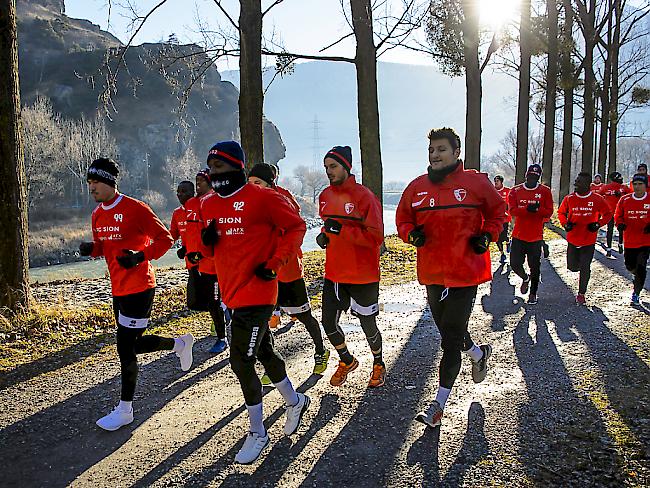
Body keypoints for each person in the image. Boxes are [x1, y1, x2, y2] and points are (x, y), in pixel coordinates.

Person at [199, 141, 309, 464]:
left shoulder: (262, 199)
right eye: (209, 167)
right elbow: (210, 253)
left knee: (241, 362)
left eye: (217, 167)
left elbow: (296, 227)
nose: (211, 173)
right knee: (264, 352)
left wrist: (275, 263)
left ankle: (258, 433)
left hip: (259, 293)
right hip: (231, 294)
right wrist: (206, 245)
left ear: (235, 166)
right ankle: (294, 400)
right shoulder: (208, 206)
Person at [396, 127, 505, 428]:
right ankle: (478, 352)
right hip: (432, 273)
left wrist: (488, 235)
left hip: (465, 272)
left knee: (450, 336)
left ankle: (437, 406)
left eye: (442, 149)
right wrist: (410, 234)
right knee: (449, 332)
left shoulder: (475, 183)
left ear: (456, 152)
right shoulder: (417, 187)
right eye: (432, 150)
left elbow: (499, 212)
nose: (435, 155)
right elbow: (402, 218)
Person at [79, 158, 193, 431]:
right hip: (117, 289)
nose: (91, 187)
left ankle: (125, 409)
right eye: (89, 183)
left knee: (125, 348)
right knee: (135, 344)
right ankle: (179, 344)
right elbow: (104, 248)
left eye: (96, 182)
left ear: (109, 182)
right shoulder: (97, 214)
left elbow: (165, 239)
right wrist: (92, 250)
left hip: (140, 287)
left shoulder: (135, 208)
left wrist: (140, 256)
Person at [247, 162, 330, 380]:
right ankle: (272, 365)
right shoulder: (249, 202)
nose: (253, 187)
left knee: (302, 315)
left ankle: (321, 351)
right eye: (250, 183)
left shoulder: (281, 200)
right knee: (264, 319)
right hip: (264, 273)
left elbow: (294, 229)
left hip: (287, 269)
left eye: (258, 183)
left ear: (270, 183)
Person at [316, 145, 386, 388]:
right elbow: (329, 227)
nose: (329, 172)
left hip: (363, 275)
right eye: (326, 167)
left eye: (333, 166)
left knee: (367, 324)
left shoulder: (365, 197)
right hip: (334, 274)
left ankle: (378, 363)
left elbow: (376, 238)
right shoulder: (324, 196)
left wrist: (342, 231)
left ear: (347, 166)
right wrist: (325, 236)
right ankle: (346, 360)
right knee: (328, 322)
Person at [184, 169, 229, 354]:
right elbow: (191, 232)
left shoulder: (216, 202)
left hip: (216, 264)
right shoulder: (191, 203)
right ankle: (225, 315)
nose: (197, 184)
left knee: (214, 301)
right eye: (196, 180)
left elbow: (218, 236)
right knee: (203, 302)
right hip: (198, 263)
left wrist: (203, 254)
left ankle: (222, 338)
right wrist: (187, 250)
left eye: (201, 181)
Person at [558, 172, 612, 305]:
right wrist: (565, 223)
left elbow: (608, 214)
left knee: (585, 266)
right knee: (572, 267)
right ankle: (578, 269)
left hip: (588, 239)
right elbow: (561, 213)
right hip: (573, 239)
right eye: (575, 181)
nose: (576, 184)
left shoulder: (597, 199)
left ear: (587, 184)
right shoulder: (569, 198)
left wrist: (598, 224)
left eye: (579, 182)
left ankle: (581, 293)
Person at [507, 164, 554, 304]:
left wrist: (538, 210)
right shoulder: (515, 191)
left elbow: (549, 211)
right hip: (518, 235)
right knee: (515, 264)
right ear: (526, 175)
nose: (532, 179)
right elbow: (512, 211)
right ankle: (525, 278)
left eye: (535, 177)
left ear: (538, 177)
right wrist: (528, 209)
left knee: (535, 266)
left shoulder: (545, 191)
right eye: (530, 176)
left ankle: (533, 293)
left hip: (535, 237)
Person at [614, 174, 650, 305]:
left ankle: (636, 292)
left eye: (640, 184)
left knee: (641, 266)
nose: (637, 187)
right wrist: (620, 224)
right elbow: (618, 215)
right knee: (629, 266)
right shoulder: (625, 199)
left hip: (645, 241)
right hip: (630, 240)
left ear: (645, 185)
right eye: (635, 184)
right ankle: (636, 276)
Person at [598, 171, 629, 257]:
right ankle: (620, 244)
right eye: (620, 178)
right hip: (620, 212)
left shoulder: (606, 187)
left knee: (610, 230)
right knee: (620, 229)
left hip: (610, 212)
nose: (621, 179)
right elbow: (631, 196)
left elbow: (598, 196)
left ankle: (609, 249)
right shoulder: (624, 187)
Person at [493, 175, 511, 264]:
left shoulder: (507, 191)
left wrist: (509, 215)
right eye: (495, 180)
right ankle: (502, 254)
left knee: (504, 236)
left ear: (501, 182)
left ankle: (508, 242)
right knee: (497, 238)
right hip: (495, 219)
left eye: (497, 180)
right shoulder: (492, 191)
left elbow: (510, 204)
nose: (496, 182)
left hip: (505, 219)